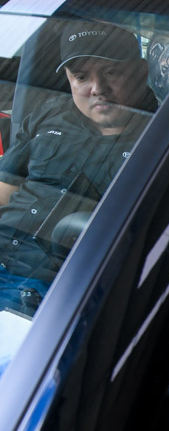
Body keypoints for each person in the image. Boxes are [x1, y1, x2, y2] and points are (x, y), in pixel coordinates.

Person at [0, 20, 156, 313]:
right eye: (81, 76)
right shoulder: (49, 115)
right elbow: (4, 189)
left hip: (59, 291)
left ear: (141, 72)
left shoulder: (168, 138)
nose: (98, 88)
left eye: (112, 72)